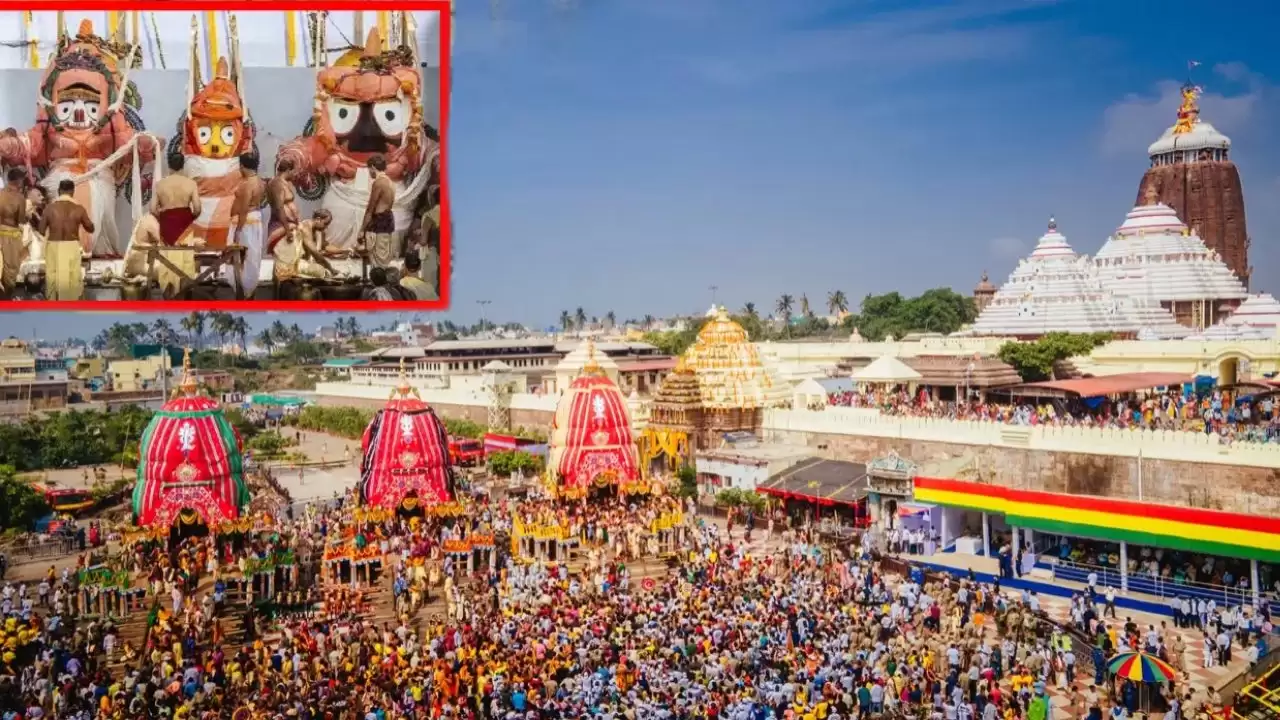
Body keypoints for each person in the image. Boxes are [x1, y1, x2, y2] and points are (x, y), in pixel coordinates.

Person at [226, 152, 267, 296]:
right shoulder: (260, 181)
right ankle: (247, 292)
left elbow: (243, 209)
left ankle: (242, 292)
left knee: (240, 258)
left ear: (242, 166)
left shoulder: (248, 184)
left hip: (245, 224)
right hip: (253, 221)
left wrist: (238, 231)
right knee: (251, 257)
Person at [150, 155, 202, 246]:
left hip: (166, 221)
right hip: (185, 220)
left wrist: (161, 218)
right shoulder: (191, 183)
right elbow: (197, 209)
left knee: (167, 253)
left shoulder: (160, 184)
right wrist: (190, 218)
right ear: (183, 165)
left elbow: (152, 209)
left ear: (169, 165)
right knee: (185, 253)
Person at [359, 154, 397, 268]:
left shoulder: (379, 182)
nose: (369, 172)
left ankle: (377, 283)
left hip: (379, 222)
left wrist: (362, 230)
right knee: (383, 257)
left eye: (368, 169)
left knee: (377, 262)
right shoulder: (391, 182)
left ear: (373, 167)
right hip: (388, 220)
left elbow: (370, 209)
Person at [0, 168, 27, 295]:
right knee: (10, 271)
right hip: (10, 236)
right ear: (19, 181)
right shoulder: (19, 198)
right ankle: (7, 300)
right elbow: (21, 219)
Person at [267, 158, 301, 251]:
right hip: (281, 226)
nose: (295, 174)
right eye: (294, 171)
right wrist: (287, 230)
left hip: (287, 225)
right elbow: (279, 208)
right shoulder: (277, 184)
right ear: (288, 170)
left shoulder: (283, 182)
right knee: (284, 261)